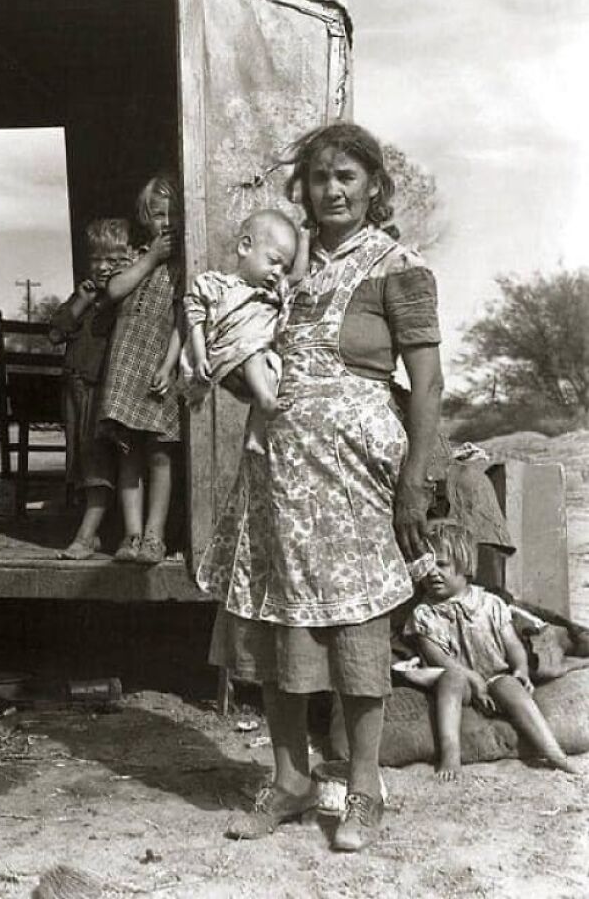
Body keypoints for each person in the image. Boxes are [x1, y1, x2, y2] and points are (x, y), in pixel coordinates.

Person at [197, 122, 444, 851]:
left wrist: (414, 481)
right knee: (278, 621)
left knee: (356, 628)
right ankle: (290, 779)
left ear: (374, 186)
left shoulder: (400, 268)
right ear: (301, 188)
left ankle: (364, 789)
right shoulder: (282, 269)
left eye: (347, 177)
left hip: (354, 479)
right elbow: (248, 354)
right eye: (319, 177)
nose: (332, 190)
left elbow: (428, 385)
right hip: (277, 473)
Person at [403, 520, 578, 780]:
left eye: (441, 564)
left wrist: (521, 669)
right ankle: (451, 753)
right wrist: (473, 679)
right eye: (426, 566)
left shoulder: (490, 604)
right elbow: (438, 658)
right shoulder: (424, 614)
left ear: (465, 566)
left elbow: (513, 645)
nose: (432, 573)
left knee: (510, 685)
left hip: (494, 674)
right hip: (459, 678)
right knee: (451, 680)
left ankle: (553, 751)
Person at [97, 175, 183, 565]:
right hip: (126, 364)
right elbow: (115, 290)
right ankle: (131, 535)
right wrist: (151, 259)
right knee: (128, 451)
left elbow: (184, 319)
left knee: (160, 453)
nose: (166, 222)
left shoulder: (184, 265)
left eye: (172, 214)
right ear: (146, 217)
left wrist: (169, 364)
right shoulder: (134, 255)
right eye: (158, 214)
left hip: (158, 365)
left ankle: (154, 536)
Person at [180, 210, 308, 454]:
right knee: (254, 351)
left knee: (273, 369)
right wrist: (200, 357)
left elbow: (297, 276)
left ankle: (256, 434)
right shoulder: (216, 284)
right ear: (245, 247)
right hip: (229, 353)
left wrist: (306, 236)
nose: (278, 272)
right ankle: (266, 402)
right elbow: (195, 319)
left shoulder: (272, 293)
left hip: (254, 362)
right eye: (273, 261)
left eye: (284, 268)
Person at [49, 218, 131, 560]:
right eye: (97, 259)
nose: (103, 267)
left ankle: (85, 536)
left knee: (97, 460)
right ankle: (95, 532)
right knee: (81, 460)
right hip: (76, 389)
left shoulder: (124, 298)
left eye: (114, 260)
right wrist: (81, 302)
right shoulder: (83, 294)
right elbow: (55, 333)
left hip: (103, 391)